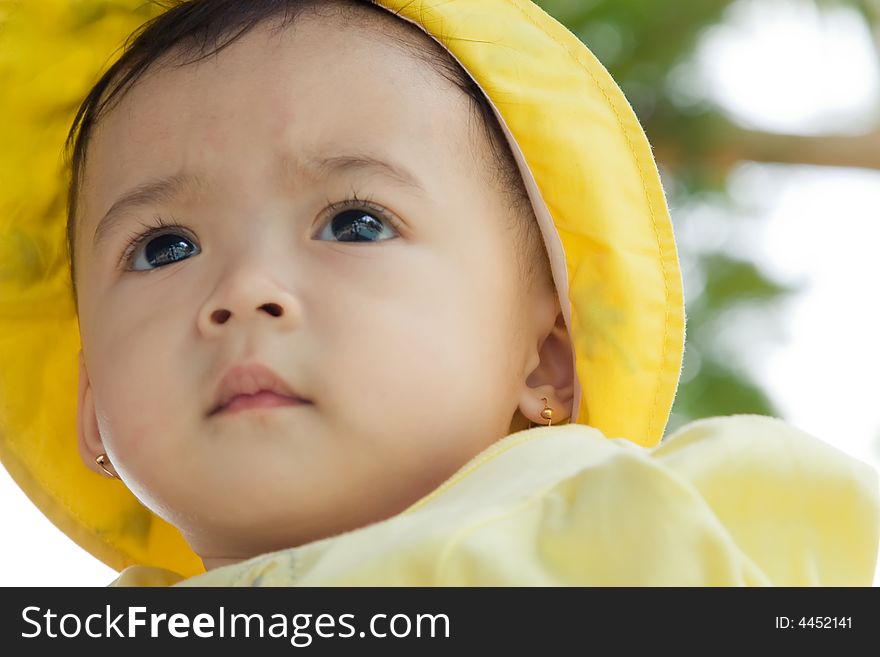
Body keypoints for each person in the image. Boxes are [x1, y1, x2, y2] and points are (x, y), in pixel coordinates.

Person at [0, 0, 876, 587]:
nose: (244, 291)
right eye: (164, 246)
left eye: (355, 223)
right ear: (91, 405)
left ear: (548, 363)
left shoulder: (612, 531)